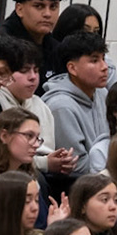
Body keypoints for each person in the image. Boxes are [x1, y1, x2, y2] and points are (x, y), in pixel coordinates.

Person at [41, 31, 109, 177]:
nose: (104, 67)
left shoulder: (102, 93)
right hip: (77, 184)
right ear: (72, 68)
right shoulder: (61, 106)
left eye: (103, 59)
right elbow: (76, 165)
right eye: (94, 61)